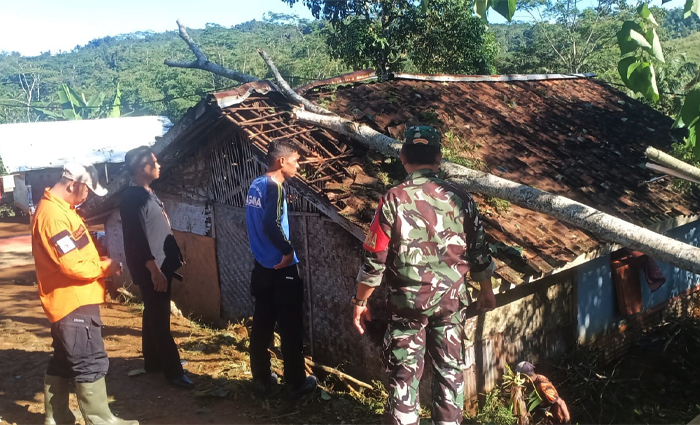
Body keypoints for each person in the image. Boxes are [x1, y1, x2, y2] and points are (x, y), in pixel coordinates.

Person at [352, 125, 497, 425]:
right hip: (451, 303)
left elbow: (374, 258)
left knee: (405, 376)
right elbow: (480, 252)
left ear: (403, 157)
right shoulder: (461, 199)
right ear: (439, 158)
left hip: (408, 304)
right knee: (449, 372)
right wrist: (486, 289)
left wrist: (359, 300)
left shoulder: (393, 199)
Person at [32, 163, 138, 425]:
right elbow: (72, 265)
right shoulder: (54, 216)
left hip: (70, 300)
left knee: (64, 360)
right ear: (72, 184)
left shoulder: (63, 210)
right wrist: (105, 267)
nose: (88, 195)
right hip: (73, 301)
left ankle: (56, 417)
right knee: (89, 360)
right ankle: (100, 420)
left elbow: (73, 252)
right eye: (87, 189)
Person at [245, 138, 317, 398]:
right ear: (282, 161)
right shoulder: (274, 187)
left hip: (261, 267)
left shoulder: (255, 185)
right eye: (296, 160)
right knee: (290, 328)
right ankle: (296, 383)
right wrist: (288, 252)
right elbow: (271, 223)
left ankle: (262, 380)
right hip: (281, 270)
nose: (298, 166)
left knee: (262, 325)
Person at [119, 146, 193, 389]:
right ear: (142, 168)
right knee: (160, 318)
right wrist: (153, 269)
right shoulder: (133, 198)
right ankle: (173, 372)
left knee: (152, 311)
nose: (159, 164)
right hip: (153, 268)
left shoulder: (147, 192)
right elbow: (136, 238)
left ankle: (152, 361)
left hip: (161, 264)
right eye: (154, 161)